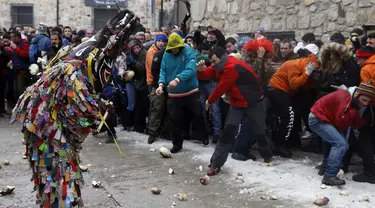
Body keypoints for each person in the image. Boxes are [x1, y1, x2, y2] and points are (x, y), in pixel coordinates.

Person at [197, 46, 273, 176]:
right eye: (212, 62)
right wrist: (199, 71)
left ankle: (267, 155)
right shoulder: (220, 65)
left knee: (259, 130)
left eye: (214, 61)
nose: (213, 65)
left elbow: (222, 87)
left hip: (254, 102)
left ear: (222, 58)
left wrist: (209, 101)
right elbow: (206, 74)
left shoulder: (231, 67)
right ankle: (215, 164)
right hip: (237, 103)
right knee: (227, 133)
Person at [309, 83, 375, 186]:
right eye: (364, 100)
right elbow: (341, 121)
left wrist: (360, 123)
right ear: (357, 95)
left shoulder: (351, 98)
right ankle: (329, 175)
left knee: (340, 142)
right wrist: (354, 115)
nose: (366, 104)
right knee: (340, 144)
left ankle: (325, 167)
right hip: (318, 119)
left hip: (324, 119)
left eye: (368, 101)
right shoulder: (346, 98)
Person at [156, 32, 208, 153]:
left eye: (176, 48)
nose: (174, 51)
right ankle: (177, 144)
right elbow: (163, 71)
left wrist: (177, 79)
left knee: (198, 114)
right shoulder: (166, 54)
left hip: (191, 91)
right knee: (175, 120)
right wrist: (161, 84)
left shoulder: (188, 51)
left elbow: (190, 69)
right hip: (174, 94)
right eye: (172, 49)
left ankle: (203, 135)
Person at [267, 44, 319, 158]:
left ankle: (280, 144)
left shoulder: (295, 63)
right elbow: (294, 84)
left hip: (277, 90)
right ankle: (280, 145)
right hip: (278, 90)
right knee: (288, 117)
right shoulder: (295, 66)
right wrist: (306, 74)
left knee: (285, 117)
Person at [146, 32, 168, 143]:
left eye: (163, 41)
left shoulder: (164, 53)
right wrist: (159, 84)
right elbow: (154, 71)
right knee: (156, 108)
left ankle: (160, 131)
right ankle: (152, 133)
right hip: (155, 84)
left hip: (163, 84)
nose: (161, 43)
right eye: (159, 41)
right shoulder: (154, 53)